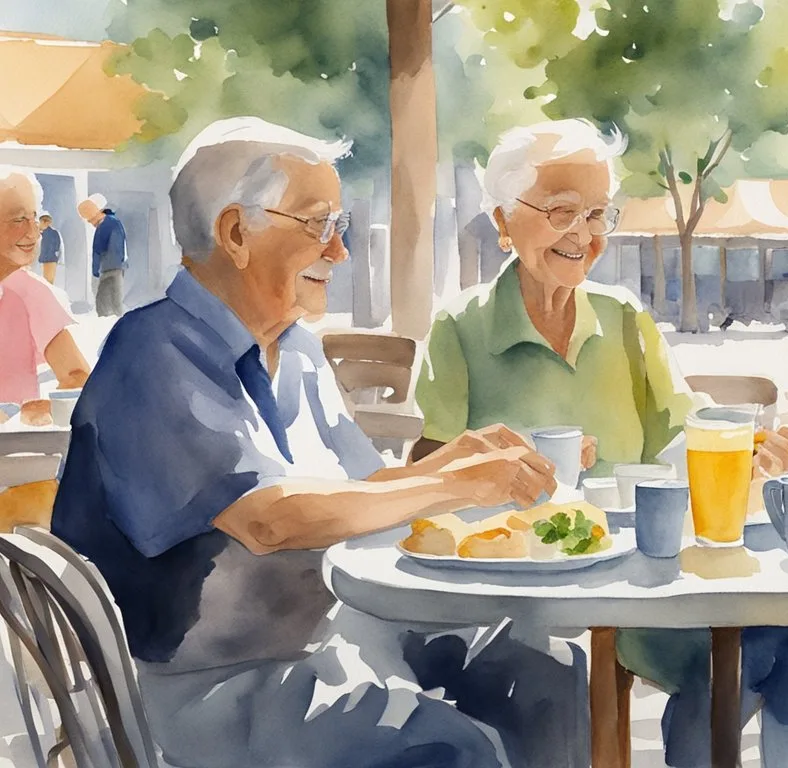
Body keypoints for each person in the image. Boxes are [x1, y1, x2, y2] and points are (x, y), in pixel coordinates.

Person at [51, 117, 590, 768]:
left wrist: (456, 459)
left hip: (329, 643)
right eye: (318, 226)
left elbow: (352, 497)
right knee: (451, 750)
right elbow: (270, 519)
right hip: (198, 692)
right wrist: (453, 486)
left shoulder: (296, 350)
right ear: (235, 234)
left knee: (547, 672)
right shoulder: (153, 354)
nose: (339, 253)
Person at [412, 118, 788, 768]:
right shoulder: (460, 329)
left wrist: (751, 450)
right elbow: (423, 477)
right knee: (557, 685)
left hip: (639, 588)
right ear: (502, 221)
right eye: (560, 211)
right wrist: (509, 462)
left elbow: (687, 435)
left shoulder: (625, 320)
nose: (582, 234)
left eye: (597, 215)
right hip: (518, 595)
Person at [0, 169, 89, 413]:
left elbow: (77, 375)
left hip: (16, 446)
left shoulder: (31, 292)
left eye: (34, 217)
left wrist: (48, 409)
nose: (33, 232)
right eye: (18, 219)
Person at [78, 193, 127, 316]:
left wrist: (95, 271)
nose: (90, 223)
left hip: (109, 268)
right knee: (115, 301)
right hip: (116, 266)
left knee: (104, 303)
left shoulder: (105, 225)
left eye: (90, 219)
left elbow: (98, 250)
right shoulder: (114, 222)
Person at [37, 213, 62, 285]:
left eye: (40, 222)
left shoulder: (50, 233)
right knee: (47, 281)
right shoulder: (46, 233)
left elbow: (56, 246)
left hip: (49, 259)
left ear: (46, 222)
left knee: (48, 281)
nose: (39, 225)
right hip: (48, 258)